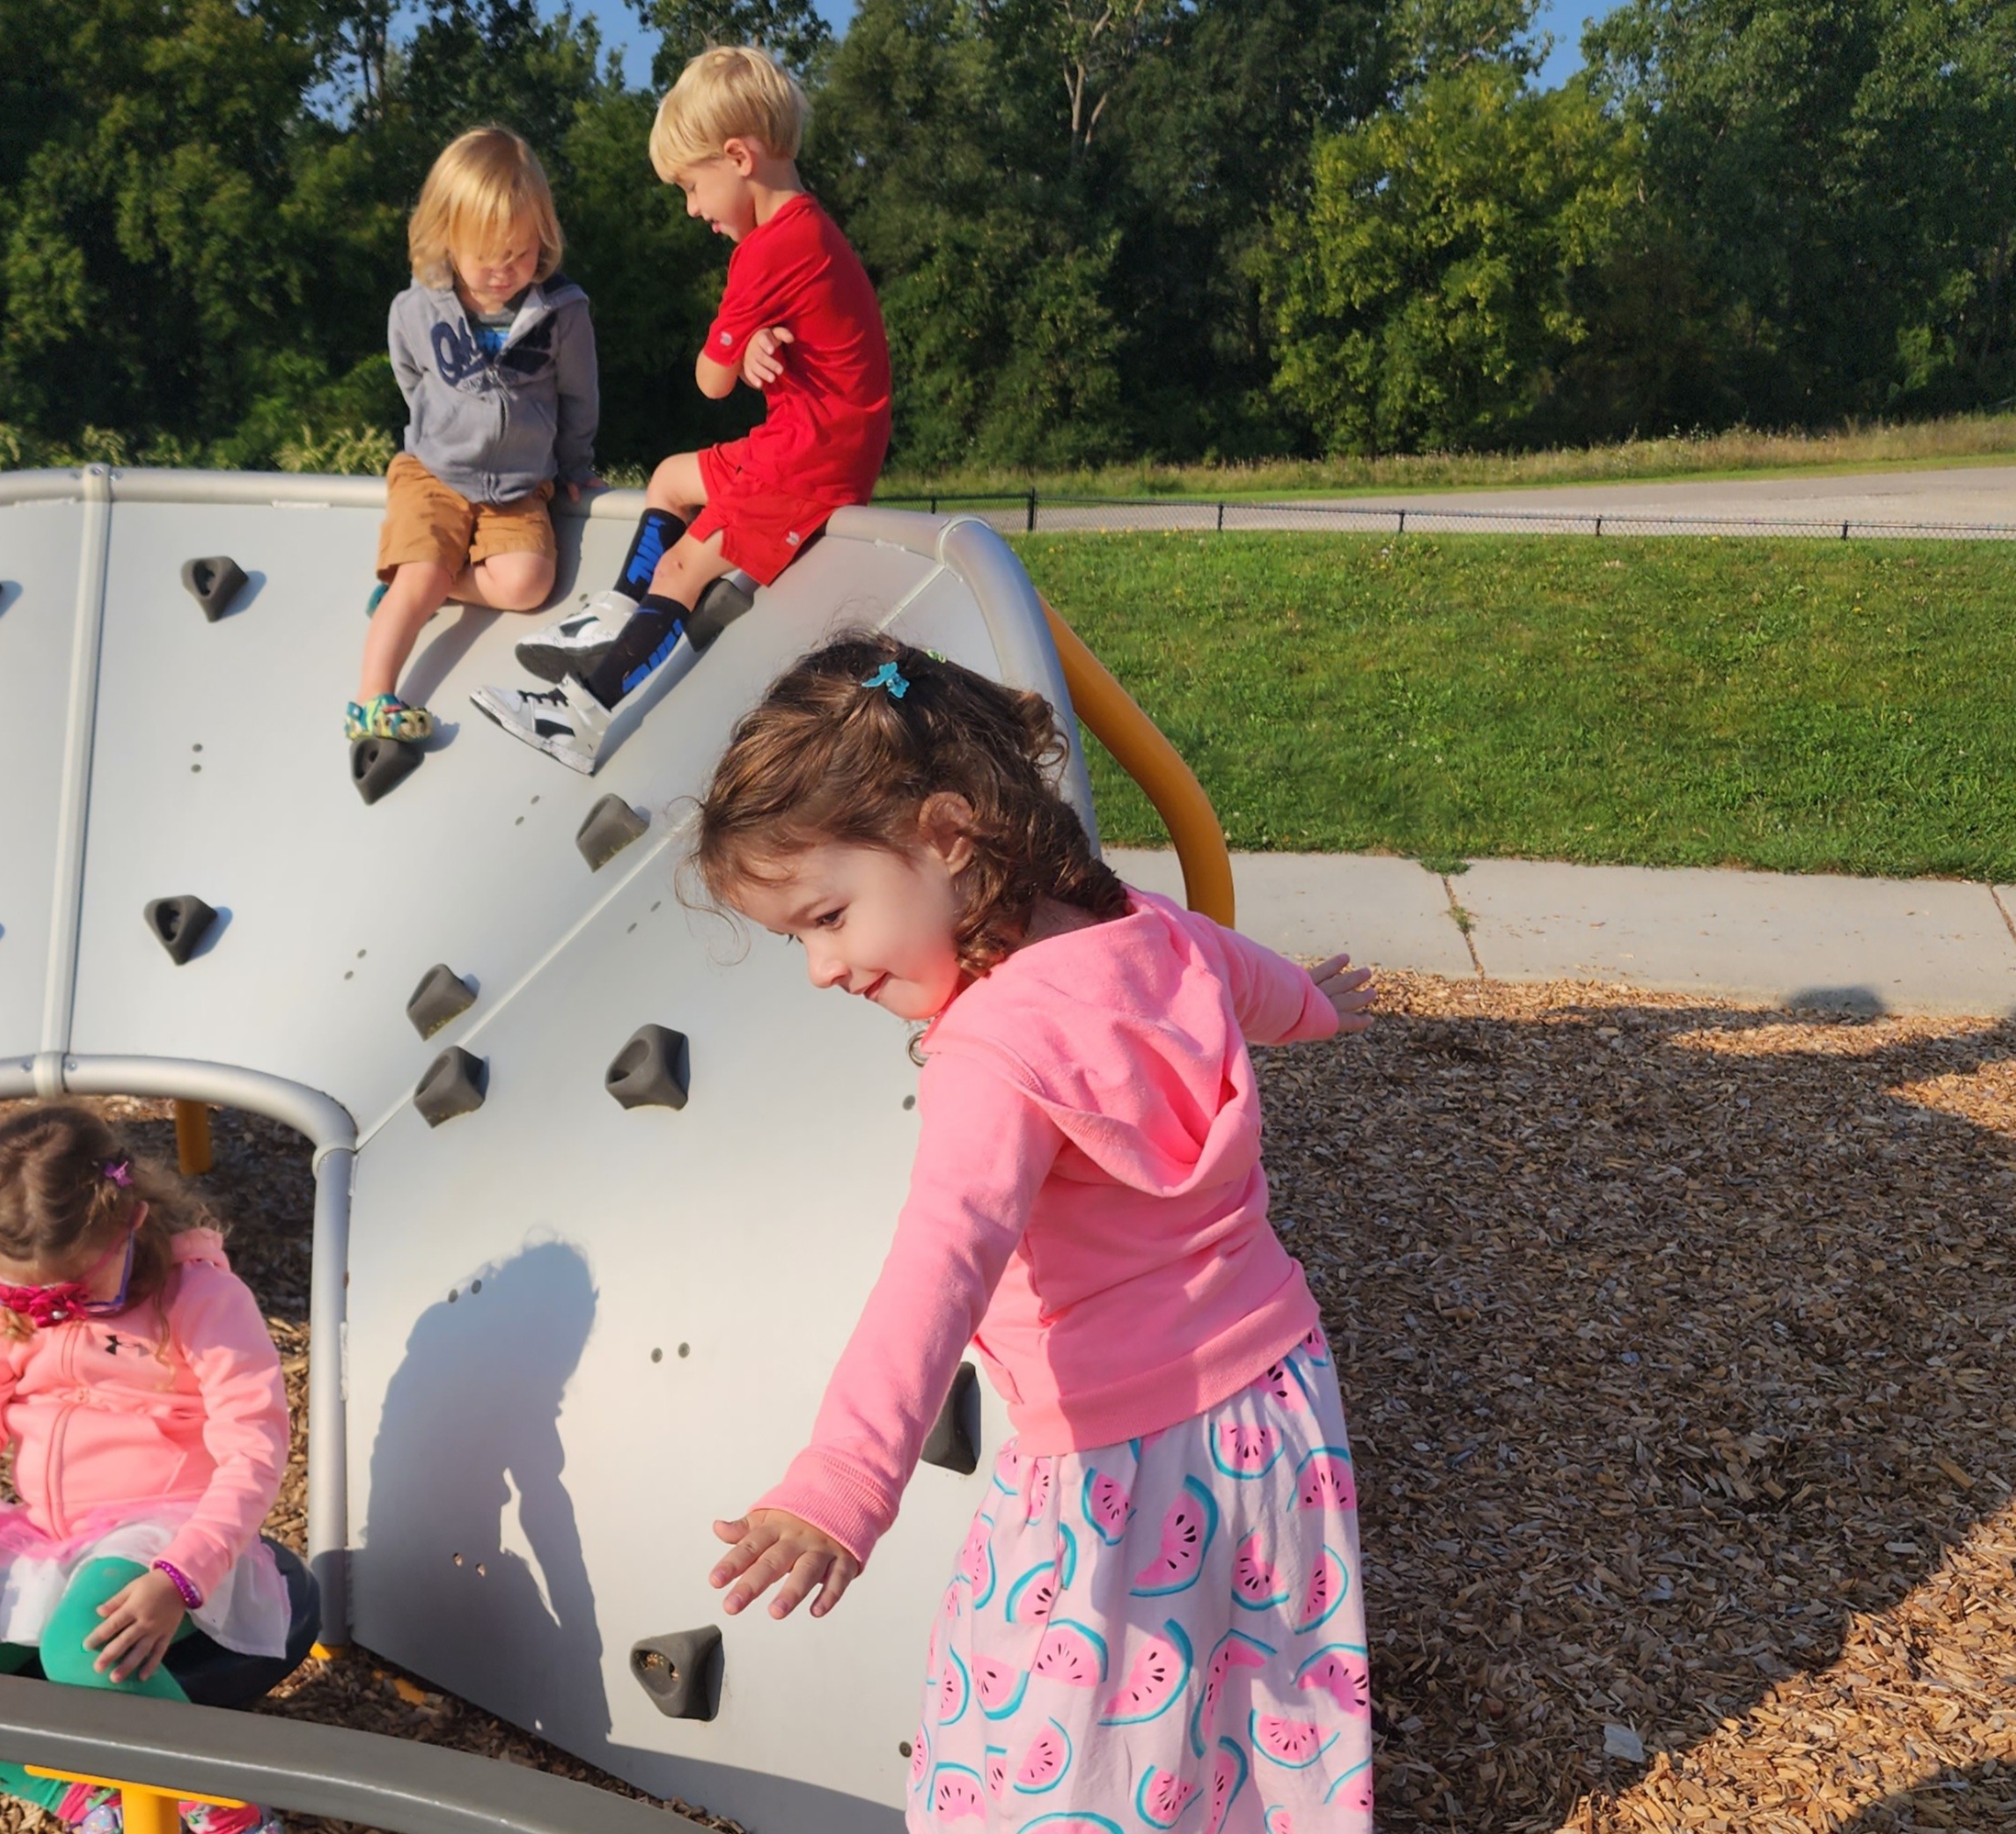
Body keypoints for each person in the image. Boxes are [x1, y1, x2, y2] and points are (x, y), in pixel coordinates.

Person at [689, 635, 1380, 1834]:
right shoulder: (1155, 934)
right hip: (1277, 1412)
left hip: (1113, 1459)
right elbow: (1251, 982)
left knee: (1069, 1751)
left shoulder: (990, 1054)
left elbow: (938, 1265)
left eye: (828, 916)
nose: (820, 966)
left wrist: (845, 1481)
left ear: (949, 836)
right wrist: (1321, 1005)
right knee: (1243, 1695)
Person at [0, 1103, 311, 1834]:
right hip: (46, 1532)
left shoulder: (202, 1299)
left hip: (167, 1526)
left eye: (79, 1290)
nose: (57, 1311)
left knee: (85, 1644)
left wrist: (182, 1574)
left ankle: (221, 1799)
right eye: (33, 1294)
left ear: (131, 1220)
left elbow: (254, 1450)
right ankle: (83, 1797)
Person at [475, 47, 890, 773]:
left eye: (690, 187)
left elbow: (710, 382)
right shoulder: (809, 231)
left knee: (679, 572)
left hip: (807, 463)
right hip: (810, 439)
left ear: (737, 156)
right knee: (668, 478)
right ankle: (611, 618)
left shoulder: (765, 252)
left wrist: (736, 349)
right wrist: (761, 341)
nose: (693, 208)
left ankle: (583, 715)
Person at [353, 126, 601, 746]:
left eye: (517, 254)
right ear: (448, 239)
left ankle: (427, 581)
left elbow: (578, 396)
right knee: (421, 576)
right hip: (433, 471)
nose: (501, 272)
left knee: (527, 584)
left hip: (518, 485)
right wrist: (437, 430)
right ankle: (370, 702)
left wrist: (575, 464)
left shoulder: (561, 313)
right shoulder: (420, 306)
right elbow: (409, 372)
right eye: (484, 257)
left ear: (540, 239)